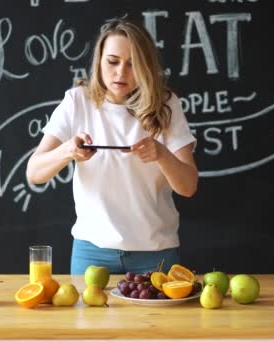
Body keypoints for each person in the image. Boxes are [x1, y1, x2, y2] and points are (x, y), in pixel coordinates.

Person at [26, 18, 198, 275]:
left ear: (146, 67)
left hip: (155, 252)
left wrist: (161, 154)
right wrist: (68, 152)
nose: (121, 73)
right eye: (113, 61)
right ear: (99, 61)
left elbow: (188, 186)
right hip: (91, 251)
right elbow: (34, 173)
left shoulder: (166, 104)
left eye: (132, 64)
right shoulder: (77, 101)